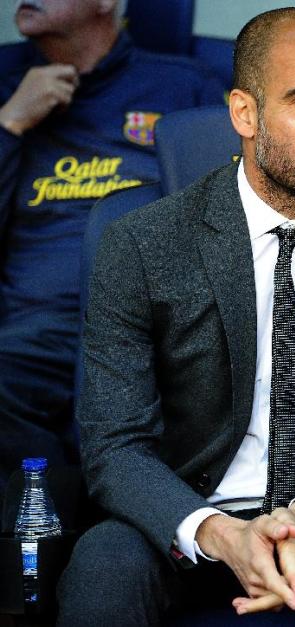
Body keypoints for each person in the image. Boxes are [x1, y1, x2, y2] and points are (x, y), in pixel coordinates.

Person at [57, 8, 295, 626]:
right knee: (104, 560)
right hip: (185, 514)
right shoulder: (139, 244)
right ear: (244, 113)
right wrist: (216, 532)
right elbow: (114, 446)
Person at [0, 0, 223, 490]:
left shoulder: (185, 85)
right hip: (32, 330)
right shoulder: (6, 85)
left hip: (145, 324)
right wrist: (9, 125)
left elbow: (228, 219)